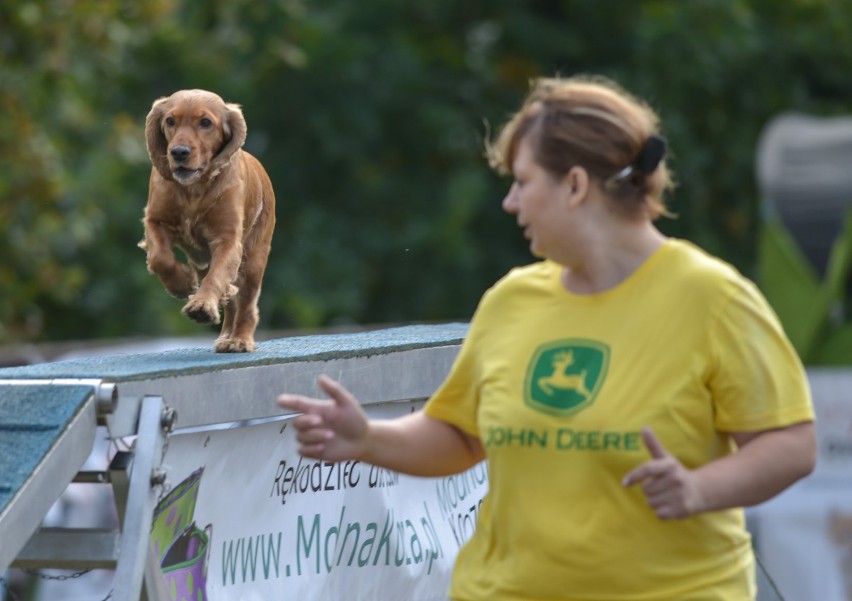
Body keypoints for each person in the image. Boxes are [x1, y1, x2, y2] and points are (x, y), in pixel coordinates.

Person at [276, 74, 816, 601]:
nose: (511, 202)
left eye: (524, 181)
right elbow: (462, 438)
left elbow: (791, 445)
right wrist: (369, 439)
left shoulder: (714, 298)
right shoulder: (512, 300)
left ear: (575, 186)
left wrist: (701, 490)